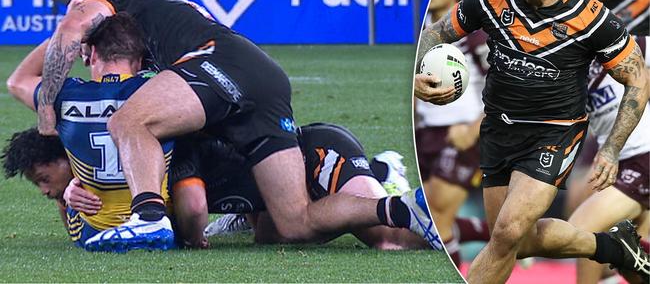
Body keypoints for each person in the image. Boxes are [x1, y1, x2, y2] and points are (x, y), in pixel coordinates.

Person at [35, 0, 438, 249]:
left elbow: (66, 39)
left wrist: (47, 115)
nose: (87, 59)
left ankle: (149, 218)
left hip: (219, 61)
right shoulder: (163, 14)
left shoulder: (100, 7)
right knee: (295, 222)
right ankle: (406, 209)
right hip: (262, 78)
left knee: (126, 121)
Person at [413, 0, 649, 283]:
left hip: (554, 134)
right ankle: (614, 248)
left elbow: (638, 78)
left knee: (508, 231)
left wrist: (612, 149)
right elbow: (435, 33)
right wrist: (417, 76)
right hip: (497, 130)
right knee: (512, 242)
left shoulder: (591, 17)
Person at [1, 125, 429, 251]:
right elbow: (86, 229)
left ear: (70, 157)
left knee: (391, 242)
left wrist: (191, 236)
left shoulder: (161, 151)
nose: (44, 190)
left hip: (315, 156)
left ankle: (392, 188)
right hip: (264, 191)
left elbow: (190, 203)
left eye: (44, 179)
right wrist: (71, 197)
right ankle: (244, 215)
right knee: (270, 236)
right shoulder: (114, 176)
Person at [5, 13, 175, 251]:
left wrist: (69, 29)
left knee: (70, 166)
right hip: (167, 222)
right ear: (139, 60)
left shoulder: (67, 95)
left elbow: (17, 81)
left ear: (92, 54)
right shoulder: (162, 90)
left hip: (93, 231)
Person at [566, 0, 650, 284]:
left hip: (639, 138)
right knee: (618, 240)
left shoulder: (647, 3)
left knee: (582, 231)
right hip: (604, 128)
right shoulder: (580, 7)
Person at [415, 0, 491, 266]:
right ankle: (488, 232)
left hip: (462, 133)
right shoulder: (420, 35)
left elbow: (502, 85)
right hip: (424, 133)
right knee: (427, 217)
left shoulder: (475, 32)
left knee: (439, 216)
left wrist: (474, 127)